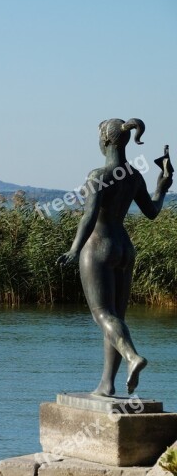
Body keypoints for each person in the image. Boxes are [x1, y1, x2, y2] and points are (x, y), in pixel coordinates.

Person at [57, 118, 172, 396]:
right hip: (124, 248)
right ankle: (107, 385)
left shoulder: (99, 175)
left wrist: (74, 249)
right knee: (117, 317)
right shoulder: (134, 176)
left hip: (99, 247)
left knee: (102, 314)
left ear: (106, 141)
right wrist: (163, 186)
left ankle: (133, 357)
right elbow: (153, 211)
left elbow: (89, 215)